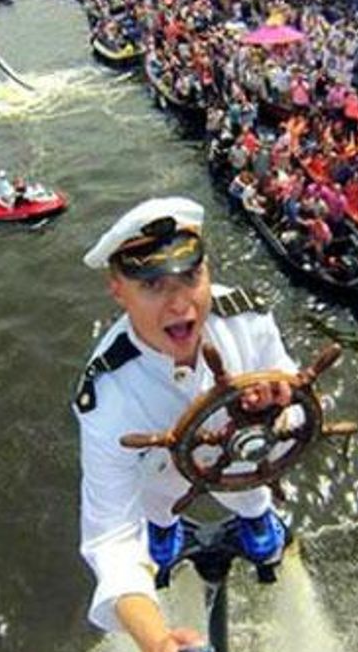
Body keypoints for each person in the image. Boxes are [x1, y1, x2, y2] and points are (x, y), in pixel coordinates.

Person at [74, 197, 293, 651]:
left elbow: (291, 388)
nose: (180, 304)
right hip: (164, 484)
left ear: (208, 269)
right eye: (152, 284)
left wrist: (280, 410)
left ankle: (255, 520)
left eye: (191, 276)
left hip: (245, 463)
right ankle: (163, 533)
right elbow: (110, 534)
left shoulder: (247, 319)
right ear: (117, 289)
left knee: (252, 489)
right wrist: (156, 640)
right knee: (157, 505)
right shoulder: (107, 396)